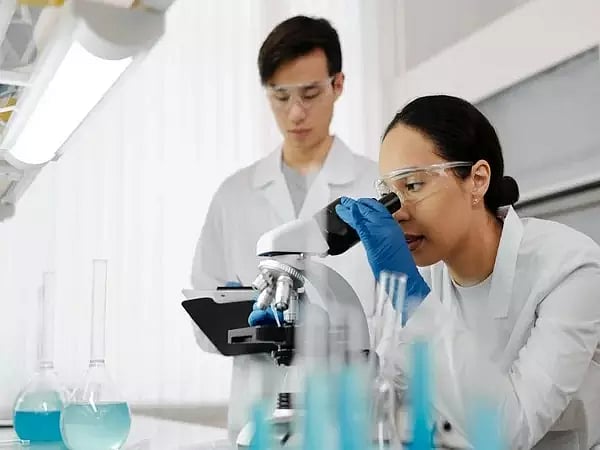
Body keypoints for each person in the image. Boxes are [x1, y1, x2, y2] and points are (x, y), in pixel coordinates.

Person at [334, 95, 600, 449]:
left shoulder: (571, 267)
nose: (396, 213)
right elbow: (390, 395)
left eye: (413, 185)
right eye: (388, 194)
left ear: (477, 179)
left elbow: (509, 431)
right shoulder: (426, 273)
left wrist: (411, 298)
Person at [190, 16, 378, 442]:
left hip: (347, 419)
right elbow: (203, 320)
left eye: (310, 94)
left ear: (338, 85)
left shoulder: (373, 187)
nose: (295, 112)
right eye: (280, 96)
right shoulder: (234, 195)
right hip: (256, 420)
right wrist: (247, 320)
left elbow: (399, 319)